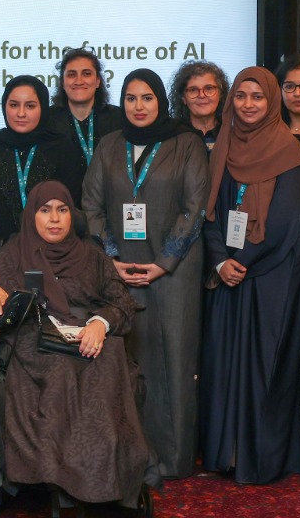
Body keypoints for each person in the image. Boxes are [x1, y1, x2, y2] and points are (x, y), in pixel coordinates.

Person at [0, 181, 155, 510]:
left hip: (88, 334)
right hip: (35, 339)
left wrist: (100, 323)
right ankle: (58, 477)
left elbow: (122, 302)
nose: (55, 219)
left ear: (72, 215)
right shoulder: (15, 252)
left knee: (109, 359)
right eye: (45, 210)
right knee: (59, 370)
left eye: (62, 210)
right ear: (31, 216)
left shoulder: (91, 254)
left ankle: (110, 477)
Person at [83, 68, 210, 480]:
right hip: (120, 272)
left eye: (147, 98)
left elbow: (195, 209)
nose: (139, 107)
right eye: (131, 98)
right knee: (127, 362)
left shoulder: (186, 143)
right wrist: (113, 259)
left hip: (174, 272)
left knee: (173, 362)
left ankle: (172, 461)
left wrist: (163, 262)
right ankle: (133, 456)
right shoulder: (108, 144)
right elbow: (91, 206)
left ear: (162, 101)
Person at [199, 66, 300, 484]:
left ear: (271, 103)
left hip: (270, 280)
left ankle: (258, 459)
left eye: (258, 97)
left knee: (263, 369)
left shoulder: (289, 153)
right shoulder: (223, 148)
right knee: (224, 366)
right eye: (242, 96)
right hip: (228, 277)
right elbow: (209, 213)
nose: (249, 104)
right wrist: (219, 262)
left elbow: (289, 223)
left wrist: (242, 260)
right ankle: (224, 454)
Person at [0, 75, 84, 283]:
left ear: (43, 108)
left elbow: (71, 205)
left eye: (30, 106)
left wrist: (42, 251)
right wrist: (0, 250)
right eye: (13, 105)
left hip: (51, 262)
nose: (20, 113)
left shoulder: (62, 149)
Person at [46, 49, 122, 172]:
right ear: (62, 82)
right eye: (71, 75)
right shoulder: (47, 120)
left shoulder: (118, 118)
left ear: (98, 81)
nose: (79, 81)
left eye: (86, 74)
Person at [169, 60, 228, 151]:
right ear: (183, 98)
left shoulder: (232, 134)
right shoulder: (172, 136)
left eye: (209, 88)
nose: (201, 95)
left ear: (220, 94)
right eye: (193, 90)